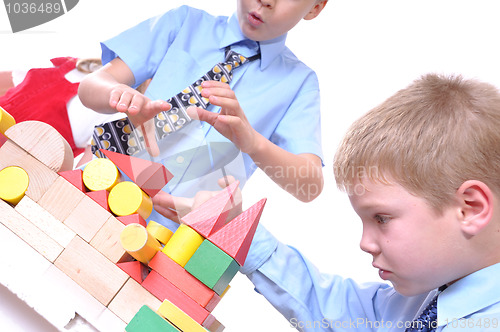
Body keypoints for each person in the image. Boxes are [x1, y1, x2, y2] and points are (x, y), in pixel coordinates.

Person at [239, 74, 500, 331]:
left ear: (470, 208)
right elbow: (331, 308)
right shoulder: (413, 304)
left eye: (381, 218)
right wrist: (239, 229)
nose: (365, 243)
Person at [78, 1, 327, 230]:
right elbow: (91, 86)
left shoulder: (299, 83)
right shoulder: (184, 23)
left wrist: (254, 142)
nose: (267, 1)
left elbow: (309, 185)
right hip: (97, 183)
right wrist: (119, 94)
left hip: (169, 239)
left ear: (315, 8)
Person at [0, 57, 124, 167]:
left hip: (10, 165)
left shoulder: (118, 117)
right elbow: (7, 81)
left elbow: (80, 179)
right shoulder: (76, 64)